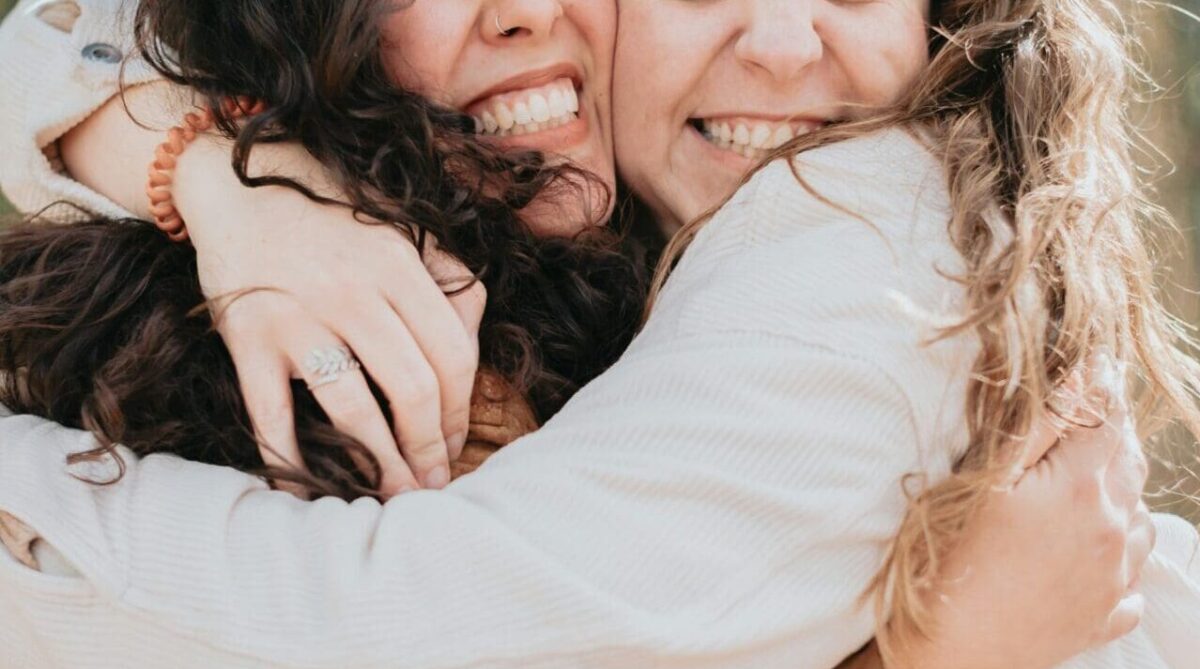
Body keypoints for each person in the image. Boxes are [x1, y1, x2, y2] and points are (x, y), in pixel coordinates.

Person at [0, 0, 1195, 668]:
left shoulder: (870, 237)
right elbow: (58, 38)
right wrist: (208, 176)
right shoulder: (568, 260)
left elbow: (406, 632)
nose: (783, 41)